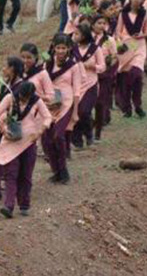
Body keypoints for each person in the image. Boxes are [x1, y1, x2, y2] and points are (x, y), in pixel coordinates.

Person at [0, 81, 50, 218]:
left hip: (29, 142)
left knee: (26, 174)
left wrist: (40, 131)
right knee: (10, 174)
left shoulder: (36, 101)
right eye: (23, 97)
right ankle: (8, 205)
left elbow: (47, 117)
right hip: (11, 141)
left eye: (27, 98)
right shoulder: (10, 98)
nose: (24, 100)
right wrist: (3, 128)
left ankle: (24, 204)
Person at [42, 34, 82, 183]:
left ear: (69, 49)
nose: (60, 51)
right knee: (47, 140)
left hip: (66, 104)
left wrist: (75, 112)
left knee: (58, 136)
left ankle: (64, 171)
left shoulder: (74, 66)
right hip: (49, 104)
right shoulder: (47, 64)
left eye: (63, 48)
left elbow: (77, 90)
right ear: (53, 47)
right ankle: (56, 171)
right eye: (58, 47)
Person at [116, 0, 147, 118]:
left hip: (139, 45)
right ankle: (127, 107)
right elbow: (118, 31)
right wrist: (119, 44)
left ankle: (138, 104)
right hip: (126, 47)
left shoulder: (145, 14)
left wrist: (141, 34)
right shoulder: (123, 14)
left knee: (136, 75)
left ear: (143, 0)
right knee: (126, 80)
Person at [71, 23, 105, 148]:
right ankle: (77, 139)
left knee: (84, 111)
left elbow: (102, 67)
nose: (74, 36)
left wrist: (92, 66)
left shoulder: (95, 49)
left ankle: (89, 133)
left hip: (91, 83)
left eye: (77, 34)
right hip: (75, 84)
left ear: (84, 35)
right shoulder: (72, 49)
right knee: (75, 113)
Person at [92, 13, 118, 140]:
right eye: (99, 23)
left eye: (104, 23)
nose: (102, 26)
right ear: (93, 25)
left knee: (100, 101)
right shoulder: (88, 38)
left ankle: (99, 127)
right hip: (89, 75)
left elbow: (114, 57)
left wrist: (108, 68)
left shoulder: (110, 40)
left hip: (104, 75)